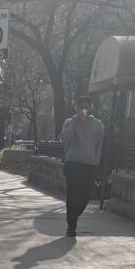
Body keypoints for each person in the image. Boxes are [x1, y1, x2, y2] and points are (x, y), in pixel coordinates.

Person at [58, 95, 105, 237]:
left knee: (87, 193)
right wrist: (76, 121)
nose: (84, 108)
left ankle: (75, 213)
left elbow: (99, 144)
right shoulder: (69, 122)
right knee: (72, 194)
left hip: (89, 165)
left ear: (91, 108)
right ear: (76, 107)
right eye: (81, 106)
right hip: (73, 163)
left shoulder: (97, 124)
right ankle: (71, 226)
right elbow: (65, 138)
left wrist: (96, 161)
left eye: (87, 106)